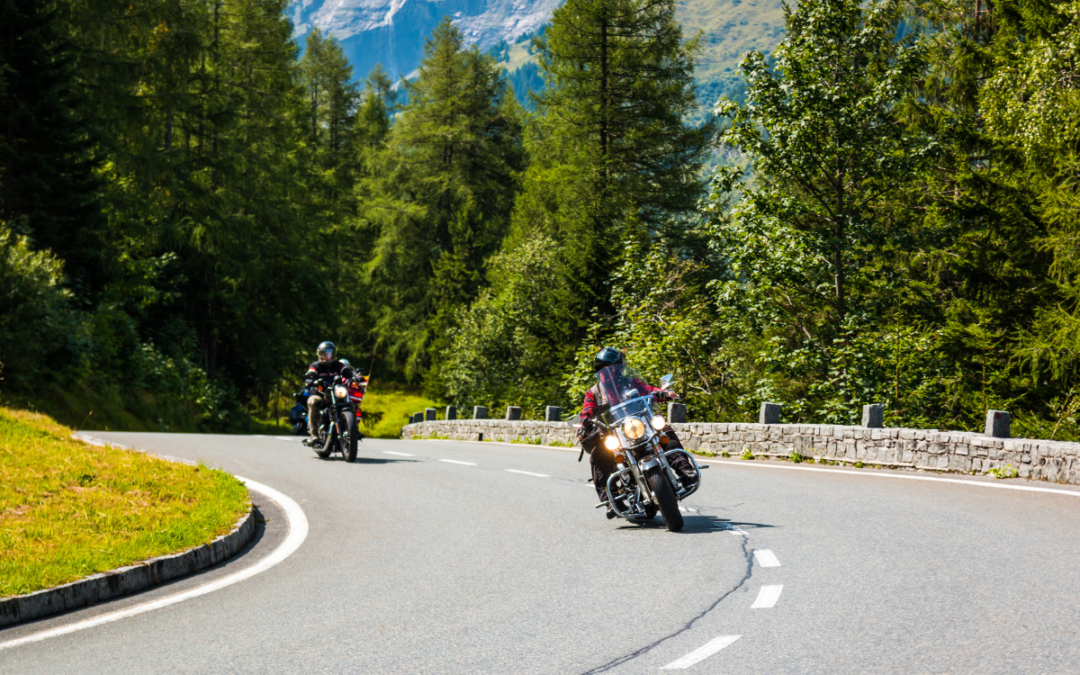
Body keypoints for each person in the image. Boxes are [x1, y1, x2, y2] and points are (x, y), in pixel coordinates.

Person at [577, 347, 697, 518]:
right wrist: (584, 424)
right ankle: (611, 500)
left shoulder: (631, 383)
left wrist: (663, 393)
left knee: (664, 431)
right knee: (597, 456)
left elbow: (648, 390)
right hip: (613, 433)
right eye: (606, 369)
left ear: (620, 368)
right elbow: (586, 411)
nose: (610, 372)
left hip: (639, 425)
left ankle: (685, 471)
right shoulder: (593, 392)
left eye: (614, 368)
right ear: (599, 371)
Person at [304, 341, 356, 446]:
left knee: (350, 404)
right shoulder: (315, 365)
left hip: (336, 393)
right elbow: (311, 373)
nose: (328, 356)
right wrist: (310, 380)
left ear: (334, 354)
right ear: (320, 354)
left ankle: (354, 431)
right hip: (320, 393)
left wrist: (356, 376)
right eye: (325, 354)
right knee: (314, 401)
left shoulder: (338, 365)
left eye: (330, 353)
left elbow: (348, 372)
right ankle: (314, 435)